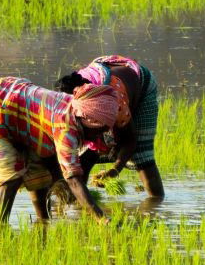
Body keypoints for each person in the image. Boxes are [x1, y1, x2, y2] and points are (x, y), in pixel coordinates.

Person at [0, 76, 124, 226]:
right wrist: (101, 218)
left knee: (41, 177)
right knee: (11, 177)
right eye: (99, 130)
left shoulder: (78, 107)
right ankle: (0, 230)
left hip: (17, 111)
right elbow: (73, 179)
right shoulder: (65, 126)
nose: (99, 135)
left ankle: (44, 223)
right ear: (89, 120)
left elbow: (58, 167)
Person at [56, 55, 164, 199]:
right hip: (103, 74)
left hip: (140, 84)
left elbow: (129, 141)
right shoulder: (67, 106)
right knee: (82, 156)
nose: (101, 135)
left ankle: (156, 202)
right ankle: (75, 201)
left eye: (103, 130)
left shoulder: (117, 105)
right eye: (96, 131)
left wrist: (115, 169)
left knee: (142, 156)